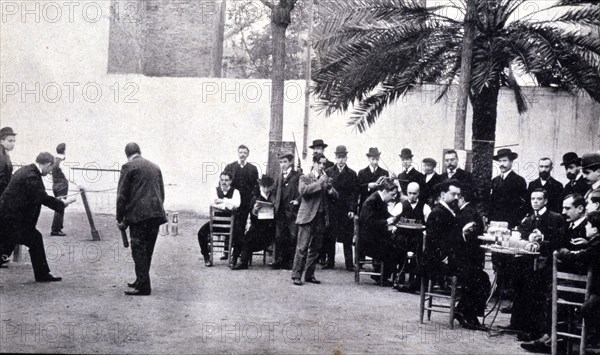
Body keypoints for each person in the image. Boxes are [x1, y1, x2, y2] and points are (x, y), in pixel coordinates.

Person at [521, 210, 600, 353]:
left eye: (588, 225)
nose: (564, 212)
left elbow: (582, 257)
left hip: (592, 290)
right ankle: (551, 336)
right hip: (588, 286)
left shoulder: (597, 243)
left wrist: (563, 252)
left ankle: (552, 338)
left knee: (554, 290)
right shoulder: (593, 241)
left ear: (595, 229)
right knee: (550, 286)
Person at [0, 152, 71, 279]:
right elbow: (41, 197)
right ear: (47, 164)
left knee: (34, 239)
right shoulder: (32, 176)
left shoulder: (26, 170)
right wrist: (61, 204)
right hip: (12, 220)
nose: (50, 172)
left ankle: (42, 274)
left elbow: (34, 197)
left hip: (12, 218)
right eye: (50, 169)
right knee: (5, 249)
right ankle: (42, 274)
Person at [508, 189, 565, 338]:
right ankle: (518, 324)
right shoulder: (528, 218)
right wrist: (529, 236)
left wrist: (542, 237)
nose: (535, 201)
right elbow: (520, 232)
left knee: (536, 288)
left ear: (545, 201)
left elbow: (559, 238)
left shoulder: (555, 217)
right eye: (533, 198)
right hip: (528, 260)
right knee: (519, 280)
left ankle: (533, 328)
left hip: (546, 262)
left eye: (539, 199)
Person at [116, 143, 167, 296]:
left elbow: (122, 195)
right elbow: (162, 193)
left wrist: (120, 218)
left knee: (138, 250)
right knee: (148, 250)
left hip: (138, 217)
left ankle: (144, 286)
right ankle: (141, 279)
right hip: (156, 214)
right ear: (140, 152)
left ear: (127, 154)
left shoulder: (128, 167)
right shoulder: (155, 167)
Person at [291, 153, 338, 286]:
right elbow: (303, 191)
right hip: (307, 217)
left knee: (316, 248)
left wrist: (330, 189)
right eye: (320, 163)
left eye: (324, 164)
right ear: (315, 163)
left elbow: (335, 195)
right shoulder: (305, 177)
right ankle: (296, 275)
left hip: (321, 218)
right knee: (302, 247)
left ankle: (309, 275)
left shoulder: (325, 178)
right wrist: (319, 183)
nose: (322, 166)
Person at [454, 188, 490, 331]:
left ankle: (463, 309)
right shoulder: (471, 213)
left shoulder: (466, 212)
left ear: (462, 198)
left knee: (480, 278)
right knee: (481, 279)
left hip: (462, 258)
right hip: (463, 260)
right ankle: (468, 314)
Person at [358, 177, 401, 286]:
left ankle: (381, 274)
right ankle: (381, 276)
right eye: (392, 195)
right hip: (367, 241)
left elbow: (385, 215)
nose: (394, 197)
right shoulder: (372, 201)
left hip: (374, 237)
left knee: (395, 244)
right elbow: (369, 222)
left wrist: (396, 219)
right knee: (394, 247)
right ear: (385, 191)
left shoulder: (379, 198)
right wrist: (387, 221)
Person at [390, 182, 431, 292]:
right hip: (402, 235)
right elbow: (392, 220)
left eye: (414, 193)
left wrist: (424, 231)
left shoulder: (425, 207)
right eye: (409, 193)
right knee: (399, 246)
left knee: (418, 248)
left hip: (417, 236)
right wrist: (394, 227)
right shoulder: (400, 205)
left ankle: (415, 279)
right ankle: (400, 275)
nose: (412, 196)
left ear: (419, 193)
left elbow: (429, 224)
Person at [323, 145, 358, 271]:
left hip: (345, 209)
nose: (341, 160)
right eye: (339, 157)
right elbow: (325, 191)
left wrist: (352, 209)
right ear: (335, 157)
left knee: (347, 237)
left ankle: (349, 263)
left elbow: (354, 193)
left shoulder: (352, 174)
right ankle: (330, 261)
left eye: (343, 157)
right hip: (332, 209)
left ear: (346, 158)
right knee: (330, 236)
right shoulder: (328, 172)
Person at [197, 171, 241, 267]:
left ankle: (234, 259)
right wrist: (228, 204)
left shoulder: (236, 192)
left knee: (240, 235)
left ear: (231, 181)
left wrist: (222, 201)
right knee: (201, 233)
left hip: (231, 223)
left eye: (226, 180)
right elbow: (213, 202)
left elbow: (237, 204)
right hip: (216, 222)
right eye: (222, 180)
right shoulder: (214, 190)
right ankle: (206, 257)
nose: (224, 182)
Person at [232, 175, 276, 270]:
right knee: (245, 238)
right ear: (260, 186)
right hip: (257, 227)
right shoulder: (255, 198)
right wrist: (254, 211)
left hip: (268, 229)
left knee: (248, 239)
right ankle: (238, 260)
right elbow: (252, 219)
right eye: (263, 186)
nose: (266, 189)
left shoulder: (274, 198)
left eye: (268, 186)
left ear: (271, 187)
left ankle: (242, 262)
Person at [224, 145, 259, 262]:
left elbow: (255, 186)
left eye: (245, 152)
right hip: (233, 200)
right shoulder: (231, 167)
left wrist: (253, 200)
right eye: (240, 152)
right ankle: (227, 251)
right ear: (237, 153)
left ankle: (239, 252)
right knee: (231, 225)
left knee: (242, 226)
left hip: (246, 202)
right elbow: (226, 184)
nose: (242, 154)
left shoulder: (252, 168)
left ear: (248, 154)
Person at [422, 179, 462, 277]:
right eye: (453, 194)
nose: (456, 197)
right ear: (443, 195)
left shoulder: (451, 211)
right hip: (438, 259)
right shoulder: (437, 212)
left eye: (458, 195)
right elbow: (433, 239)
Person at [270, 150, 300, 270]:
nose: (282, 164)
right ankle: (279, 260)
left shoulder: (297, 176)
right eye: (281, 162)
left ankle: (291, 262)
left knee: (293, 236)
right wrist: (274, 202)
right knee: (279, 236)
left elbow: (303, 191)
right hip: (280, 211)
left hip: (292, 211)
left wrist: (297, 200)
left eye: (285, 162)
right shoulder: (279, 177)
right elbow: (272, 192)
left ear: (290, 162)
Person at [489, 148, 528, 228]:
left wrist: (517, 220)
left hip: (511, 222)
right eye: (500, 161)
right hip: (495, 221)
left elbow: (524, 203)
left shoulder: (519, 180)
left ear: (511, 162)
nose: (502, 164)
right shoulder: (495, 180)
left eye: (504, 161)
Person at [357, 147, 389, 212]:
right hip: (365, 206)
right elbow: (357, 189)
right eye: (373, 159)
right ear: (368, 158)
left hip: (379, 207)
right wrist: (368, 186)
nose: (375, 162)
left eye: (377, 159)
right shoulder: (362, 173)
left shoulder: (384, 173)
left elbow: (386, 191)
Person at [51, 143, 69, 236]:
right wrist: (79, 184)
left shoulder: (54, 160)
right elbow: (68, 176)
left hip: (55, 184)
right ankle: (56, 229)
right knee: (60, 205)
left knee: (58, 205)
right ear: (64, 151)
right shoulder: (62, 161)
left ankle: (58, 228)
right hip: (62, 185)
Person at [0, 126, 16, 195]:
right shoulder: (1, 155)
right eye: (10, 141)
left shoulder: (5, 153)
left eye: (14, 141)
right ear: (2, 141)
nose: (13, 144)